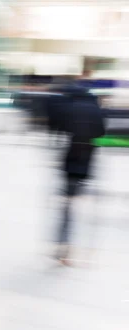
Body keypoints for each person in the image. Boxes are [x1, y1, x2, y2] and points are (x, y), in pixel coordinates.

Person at [48, 80, 105, 265]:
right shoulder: (95, 108)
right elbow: (101, 132)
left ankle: (63, 247)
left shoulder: (69, 107)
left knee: (67, 206)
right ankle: (75, 247)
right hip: (87, 160)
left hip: (70, 159)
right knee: (81, 202)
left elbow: (59, 128)